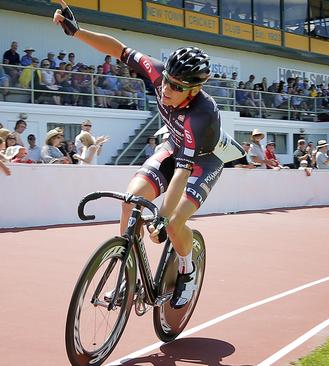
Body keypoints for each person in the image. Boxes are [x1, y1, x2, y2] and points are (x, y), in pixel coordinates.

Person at [53, 0, 245, 309]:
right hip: (173, 146)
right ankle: (128, 272)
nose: (166, 89)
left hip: (201, 160)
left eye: (176, 87)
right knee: (131, 200)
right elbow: (119, 49)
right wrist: (76, 32)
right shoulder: (158, 74)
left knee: (171, 224)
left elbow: (181, 174)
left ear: (193, 91)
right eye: (166, 80)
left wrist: (163, 217)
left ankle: (187, 269)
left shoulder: (201, 114)